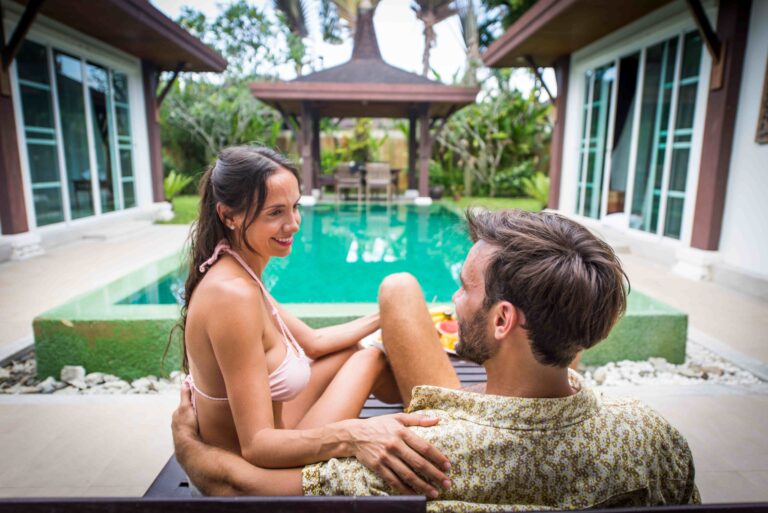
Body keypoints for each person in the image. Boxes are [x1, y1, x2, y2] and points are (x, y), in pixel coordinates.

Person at [173, 208, 700, 510]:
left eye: (464, 288)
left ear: (502, 321)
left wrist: (187, 438)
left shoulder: (422, 457)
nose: (452, 301)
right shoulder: (652, 435)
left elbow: (234, 484)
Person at [175, 145, 453, 497]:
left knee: (366, 354)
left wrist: (390, 316)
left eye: (295, 207)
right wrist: (354, 435)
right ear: (229, 216)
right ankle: (440, 427)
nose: (292, 224)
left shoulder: (236, 268)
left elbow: (314, 344)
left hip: (277, 428)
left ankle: (428, 419)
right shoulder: (233, 296)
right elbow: (257, 446)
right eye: (275, 212)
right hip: (258, 469)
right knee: (374, 358)